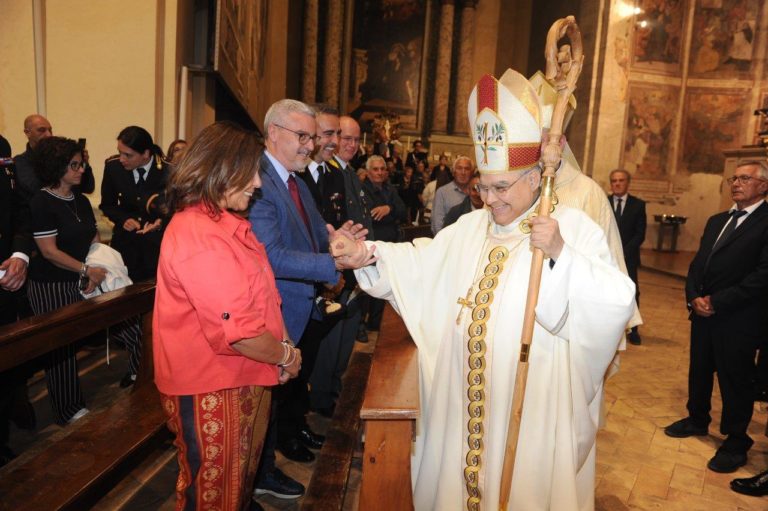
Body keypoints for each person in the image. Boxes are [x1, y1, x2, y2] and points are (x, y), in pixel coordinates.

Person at [332, 72, 635, 510]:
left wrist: (560, 255)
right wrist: (365, 254)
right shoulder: (470, 227)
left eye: (501, 187)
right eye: (483, 187)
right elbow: (422, 264)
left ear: (536, 177)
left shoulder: (572, 229)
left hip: (532, 406)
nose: (489, 200)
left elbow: (614, 301)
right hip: (462, 397)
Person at [153, 122, 298, 511]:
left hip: (243, 375)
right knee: (212, 494)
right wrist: (286, 355)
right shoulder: (199, 233)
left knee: (236, 486)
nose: (257, 183)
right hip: (211, 384)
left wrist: (283, 346)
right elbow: (239, 332)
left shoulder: (223, 223)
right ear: (221, 168)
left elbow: (264, 296)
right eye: (250, 172)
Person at [248, 99, 365, 500]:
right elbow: (270, 255)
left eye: (312, 137)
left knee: (279, 400)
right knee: (264, 405)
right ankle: (259, 474)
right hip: (272, 310)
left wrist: (339, 238)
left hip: (298, 307)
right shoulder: (259, 180)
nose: (310, 146)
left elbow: (318, 231)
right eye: (302, 136)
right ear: (274, 132)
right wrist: (330, 263)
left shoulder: (294, 181)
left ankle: (264, 469)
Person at [27, 136, 142, 424]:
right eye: (75, 165)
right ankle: (69, 410)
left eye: (82, 164)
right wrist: (85, 270)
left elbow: (92, 236)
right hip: (52, 283)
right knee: (61, 347)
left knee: (128, 320)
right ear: (56, 167)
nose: (81, 170)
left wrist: (96, 266)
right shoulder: (41, 202)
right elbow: (49, 251)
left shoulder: (78, 198)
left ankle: (142, 373)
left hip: (85, 274)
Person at [665, 160, 768, 473]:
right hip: (703, 313)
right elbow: (698, 264)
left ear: (763, 185)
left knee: (735, 379)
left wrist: (717, 301)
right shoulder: (716, 220)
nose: (736, 183)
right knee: (699, 370)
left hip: (739, 317)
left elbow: (763, 274)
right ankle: (697, 418)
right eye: (733, 178)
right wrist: (693, 296)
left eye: (745, 178)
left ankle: (736, 440)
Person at [310, 115, 374, 416]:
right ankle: (322, 397)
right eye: (344, 137)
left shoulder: (346, 173)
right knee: (331, 339)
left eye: (354, 139)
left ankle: (333, 391)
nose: (349, 144)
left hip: (354, 265)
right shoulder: (327, 173)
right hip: (337, 268)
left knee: (345, 339)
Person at [0, 137, 34, 466]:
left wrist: (20, 254)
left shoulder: (1, 148)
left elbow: (20, 209)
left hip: (5, 285)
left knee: (6, 366)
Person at [99, 126, 168, 282]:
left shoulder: (168, 171)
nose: (122, 159)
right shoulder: (113, 168)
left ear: (146, 154)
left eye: (128, 155)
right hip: (126, 246)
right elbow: (107, 205)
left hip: (156, 248)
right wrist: (123, 219)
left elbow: (177, 209)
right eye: (120, 152)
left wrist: (161, 222)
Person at [361, 155, 407, 333]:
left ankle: (377, 323)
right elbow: (373, 216)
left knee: (387, 284)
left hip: (392, 244)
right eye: (375, 169)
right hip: (372, 244)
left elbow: (403, 211)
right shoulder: (362, 189)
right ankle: (363, 325)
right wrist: (391, 212)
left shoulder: (390, 189)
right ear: (368, 172)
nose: (380, 172)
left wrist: (389, 208)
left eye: (382, 169)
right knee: (371, 286)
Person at [13, 115, 95, 203]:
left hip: (70, 208)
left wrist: (84, 164)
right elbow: (37, 189)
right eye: (41, 130)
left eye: (50, 130)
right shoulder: (20, 162)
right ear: (27, 132)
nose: (48, 135)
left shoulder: (61, 157)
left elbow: (88, 188)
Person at [608, 169, 646, 345]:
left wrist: (623, 252)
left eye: (621, 180)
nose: (617, 183)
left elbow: (640, 234)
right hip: (607, 257)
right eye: (614, 180)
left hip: (628, 257)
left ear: (627, 182)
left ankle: (633, 330)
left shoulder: (638, 205)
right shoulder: (604, 202)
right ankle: (610, 328)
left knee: (631, 292)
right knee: (608, 292)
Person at [431, 155, 473, 234]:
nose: (463, 172)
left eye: (467, 169)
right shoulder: (442, 192)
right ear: (453, 172)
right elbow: (437, 225)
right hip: (449, 239)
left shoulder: (477, 193)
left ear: (471, 173)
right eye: (459, 168)